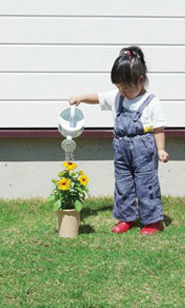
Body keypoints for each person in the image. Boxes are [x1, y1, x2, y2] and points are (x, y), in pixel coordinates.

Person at [69, 46, 169, 235]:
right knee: (123, 184)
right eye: (118, 87)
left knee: (146, 184)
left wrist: (161, 149)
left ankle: (153, 221)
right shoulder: (117, 98)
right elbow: (98, 97)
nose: (121, 91)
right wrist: (80, 98)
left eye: (126, 87)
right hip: (122, 148)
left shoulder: (151, 102)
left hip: (144, 149)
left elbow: (158, 128)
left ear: (140, 80)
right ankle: (126, 218)